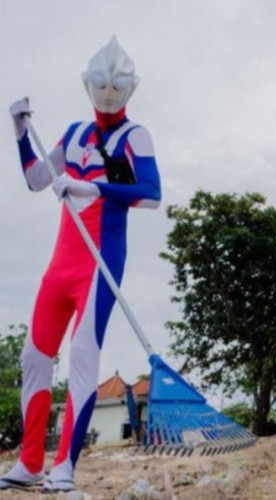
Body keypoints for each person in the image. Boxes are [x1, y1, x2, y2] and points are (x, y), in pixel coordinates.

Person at [0, 37, 161, 493]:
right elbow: (36, 179)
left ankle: (65, 465)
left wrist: (95, 188)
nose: (108, 93)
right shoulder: (73, 134)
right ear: (88, 86)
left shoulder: (135, 136)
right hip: (60, 266)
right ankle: (30, 463)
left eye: (117, 86)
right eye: (101, 84)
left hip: (99, 264)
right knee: (34, 356)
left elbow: (150, 194)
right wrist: (17, 132)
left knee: (83, 356)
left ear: (129, 89)